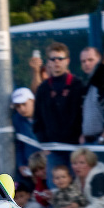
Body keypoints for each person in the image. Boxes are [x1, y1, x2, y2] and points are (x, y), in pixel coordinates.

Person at [33, 42, 85, 172]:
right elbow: (37, 119)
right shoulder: (43, 88)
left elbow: (84, 113)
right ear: (48, 63)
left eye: (60, 58)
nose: (57, 62)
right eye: (53, 59)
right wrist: (44, 143)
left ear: (67, 61)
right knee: (55, 182)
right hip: (53, 148)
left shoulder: (77, 84)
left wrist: (82, 135)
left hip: (75, 147)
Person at [78, 47, 104, 145]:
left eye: (90, 60)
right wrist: (83, 134)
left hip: (103, 141)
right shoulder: (85, 85)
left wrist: (103, 137)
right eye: (83, 61)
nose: (86, 63)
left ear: (99, 60)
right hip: (88, 141)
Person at [11, 88, 40, 182]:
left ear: (33, 101)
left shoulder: (45, 115)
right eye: (18, 106)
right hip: (29, 168)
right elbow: (19, 145)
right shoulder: (17, 120)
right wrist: (21, 165)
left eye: (24, 104)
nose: (22, 109)